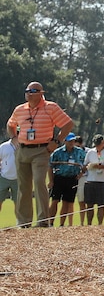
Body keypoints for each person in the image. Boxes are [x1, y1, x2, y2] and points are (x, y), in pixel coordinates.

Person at [6, 81, 74, 227]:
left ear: (41, 93)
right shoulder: (20, 109)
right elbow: (10, 124)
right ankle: (24, 222)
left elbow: (68, 124)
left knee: (38, 182)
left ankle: (43, 221)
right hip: (22, 150)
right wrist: (14, 138)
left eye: (33, 91)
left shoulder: (51, 108)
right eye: (27, 91)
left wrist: (57, 141)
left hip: (41, 150)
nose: (29, 94)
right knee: (23, 186)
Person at [48, 133, 86, 226]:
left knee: (67, 202)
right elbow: (50, 166)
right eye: (69, 141)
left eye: (73, 141)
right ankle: (50, 222)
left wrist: (81, 174)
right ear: (65, 141)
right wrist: (51, 180)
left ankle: (62, 224)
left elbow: (86, 164)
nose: (71, 143)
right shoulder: (57, 152)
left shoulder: (79, 152)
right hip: (59, 178)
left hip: (72, 179)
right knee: (55, 201)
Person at [81, 133, 104, 225]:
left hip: (103, 181)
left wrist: (101, 167)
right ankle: (89, 224)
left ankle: (99, 224)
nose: (97, 147)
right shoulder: (90, 152)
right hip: (90, 180)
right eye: (96, 145)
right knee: (89, 204)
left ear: (103, 142)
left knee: (101, 204)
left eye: (99, 144)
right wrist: (89, 166)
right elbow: (84, 166)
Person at [0, 137, 17, 216]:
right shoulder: (4, 146)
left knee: (18, 204)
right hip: (3, 178)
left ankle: (20, 225)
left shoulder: (24, 146)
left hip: (18, 179)